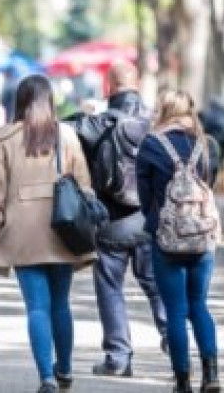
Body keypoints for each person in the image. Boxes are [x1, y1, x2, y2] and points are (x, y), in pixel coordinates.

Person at [0, 75, 96, 393]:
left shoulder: (4, 137)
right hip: (63, 227)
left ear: (19, 101)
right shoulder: (65, 134)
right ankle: (65, 369)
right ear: (49, 100)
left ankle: (46, 376)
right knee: (60, 303)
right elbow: (84, 184)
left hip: (21, 230)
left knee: (37, 306)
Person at [65, 60, 168, 377]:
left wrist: (84, 111)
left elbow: (60, 129)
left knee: (110, 289)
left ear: (108, 87)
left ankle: (118, 357)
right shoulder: (157, 121)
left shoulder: (98, 123)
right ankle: (175, 341)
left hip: (110, 222)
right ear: (137, 84)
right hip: (151, 220)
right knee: (157, 286)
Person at [136, 89, 221, 393]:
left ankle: (182, 380)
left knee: (175, 309)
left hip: (166, 238)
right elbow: (210, 183)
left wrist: (160, 219)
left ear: (163, 110)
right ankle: (211, 375)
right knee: (199, 304)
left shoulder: (151, 144)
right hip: (202, 236)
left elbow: (144, 195)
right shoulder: (206, 143)